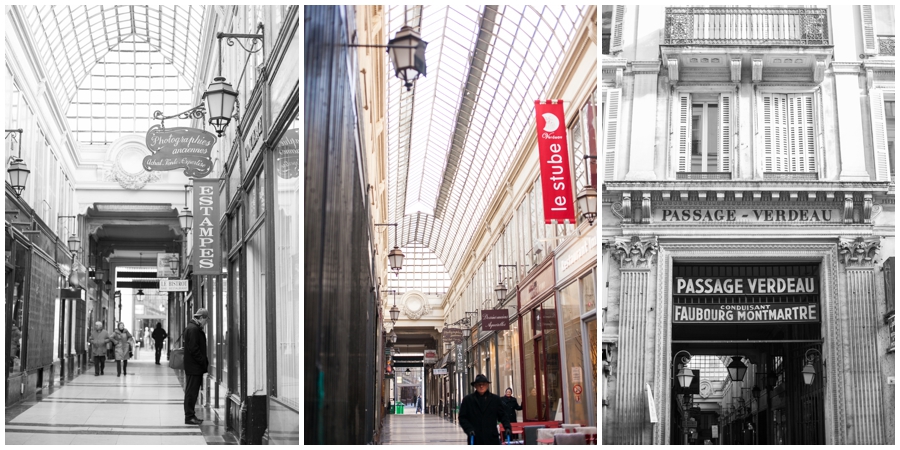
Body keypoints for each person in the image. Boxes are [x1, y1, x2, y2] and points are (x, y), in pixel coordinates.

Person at [458, 374, 512, 445]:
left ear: (487, 385)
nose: (481, 386)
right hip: (475, 437)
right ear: (475, 386)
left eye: (484, 384)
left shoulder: (495, 399)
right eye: (479, 384)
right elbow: (462, 417)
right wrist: (469, 429)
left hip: (492, 438)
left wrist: (507, 427)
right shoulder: (468, 400)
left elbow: (503, 416)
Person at [184, 308, 209, 425]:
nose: (206, 323)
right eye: (206, 320)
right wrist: (202, 361)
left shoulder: (193, 327)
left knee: (192, 391)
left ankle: (190, 415)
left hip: (194, 366)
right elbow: (194, 349)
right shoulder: (193, 329)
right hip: (194, 367)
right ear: (201, 318)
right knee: (192, 392)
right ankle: (189, 416)